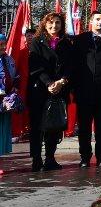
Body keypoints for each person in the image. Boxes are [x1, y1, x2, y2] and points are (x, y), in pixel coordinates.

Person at [71, 10, 101, 168]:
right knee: (84, 127)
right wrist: (73, 87)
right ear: (91, 21)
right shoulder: (80, 40)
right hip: (83, 91)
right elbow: (75, 66)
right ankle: (85, 156)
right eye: (97, 19)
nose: (100, 22)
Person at [27, 13, 72, 171]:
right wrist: (49, 83)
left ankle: (50, 158)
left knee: (54, 125)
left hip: (60, 89)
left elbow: (71, 66)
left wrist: (62, 81)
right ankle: (36, 159)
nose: (54, 26)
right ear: (45, 25)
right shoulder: (36, 43)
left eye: (57, 23)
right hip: (40, 90)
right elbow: (35, 66)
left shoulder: (67, 43)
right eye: (51, 23)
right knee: (37, 126)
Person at [0, 34, 19, 157]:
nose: (2, 46)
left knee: (3, 129)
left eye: (3, 43)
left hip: (6, 100)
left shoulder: (9, 59)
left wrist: (15, 86)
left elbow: (16, 75)